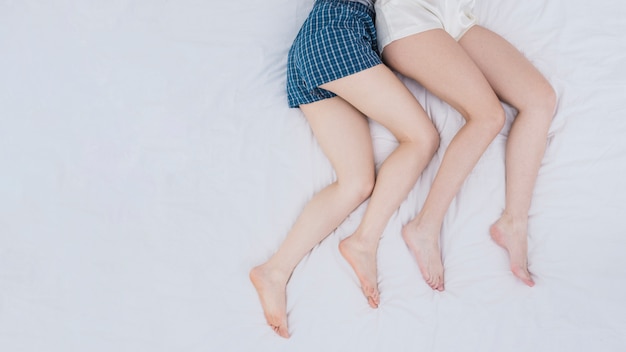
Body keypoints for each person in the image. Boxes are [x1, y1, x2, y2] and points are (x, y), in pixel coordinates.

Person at [250, 0, 440, 338]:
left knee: (356, 183)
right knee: (422, 138)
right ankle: (363, 241)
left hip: (314, 48)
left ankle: (274, 270)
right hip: (338, 32)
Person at [374, 0, 557, 290]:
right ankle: (424, 226)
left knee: (540, 98)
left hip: (453, 15)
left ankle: (514, 222)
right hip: (407, 15)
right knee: (488, 116)